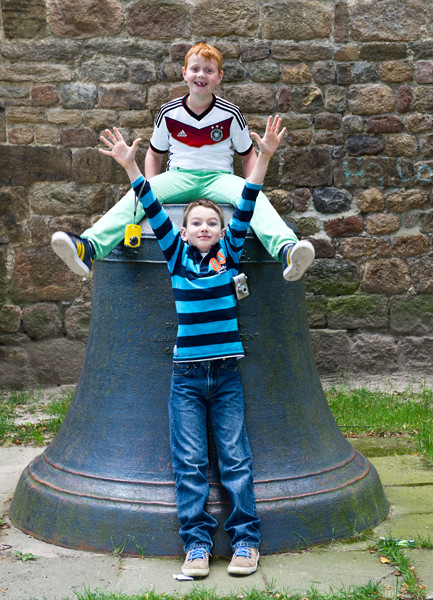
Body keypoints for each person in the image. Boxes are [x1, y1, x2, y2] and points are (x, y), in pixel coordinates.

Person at [98, 115, 286, 577]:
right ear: (183, 232)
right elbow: (152, 207)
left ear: (221, 233)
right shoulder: (177, 258)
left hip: (224, 375)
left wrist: (262, 157)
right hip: (185, 377)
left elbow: (246, 203)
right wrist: (130, 166)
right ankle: (197, 545)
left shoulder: (229, 253)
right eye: (195, 222)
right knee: (190, 463)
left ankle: (246, 542)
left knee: (236, 459)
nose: (203, 227)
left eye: (210, 223)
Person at [51, 42, 314, 283]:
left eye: (209, 70)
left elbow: (247, 155)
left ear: (219, 77)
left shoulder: (231, 113)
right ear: (184, 73)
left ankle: (286, 251)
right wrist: (152, 192)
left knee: (255, 200)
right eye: (196, 69)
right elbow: (154, 154)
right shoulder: (168, 112)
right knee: (136, 197)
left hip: (220, 178)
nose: (201, 75)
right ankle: (89, 247)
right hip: (178, 176)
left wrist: (247, 192)